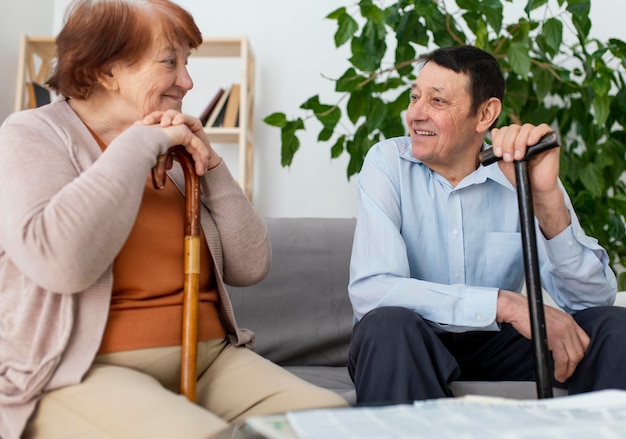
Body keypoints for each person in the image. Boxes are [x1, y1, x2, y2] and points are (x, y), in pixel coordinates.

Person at [0, 1, 347, 438]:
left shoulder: (176, 147)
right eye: (170, 62)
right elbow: (60, 260)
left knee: (333, 423)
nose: (187, 81)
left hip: (211, 359)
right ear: (107, 71)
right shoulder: (33, 133)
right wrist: (139, 144)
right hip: (82, 369)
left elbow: (251, 266)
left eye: (187, 62)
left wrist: (214, 166)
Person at [347, 45, 626, 405]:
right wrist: (507, 304)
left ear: (485, 115)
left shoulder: (518, 169)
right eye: (415, 97)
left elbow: (591, 299)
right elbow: (373, 291)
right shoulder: (387, 163)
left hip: (496, 342)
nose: (415, 113)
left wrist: (544, 198)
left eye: (437, 101)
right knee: (386, 326)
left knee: (614, 328)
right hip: (415, 338)